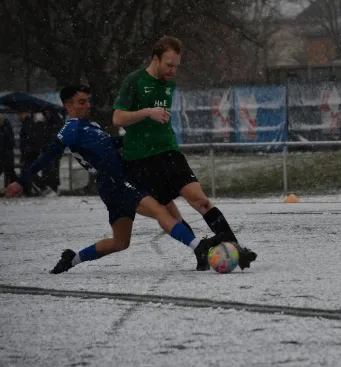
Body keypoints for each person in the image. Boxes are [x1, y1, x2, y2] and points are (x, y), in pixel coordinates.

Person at [5, 85, 229, 274]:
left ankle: (72, 259)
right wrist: (22, 181)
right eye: (81, 102)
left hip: (114, 184)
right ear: (68, 106)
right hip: (114, 182)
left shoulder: (91, 125)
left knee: (120, 242)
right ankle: (198, 246)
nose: (87, 105)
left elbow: (110, 145)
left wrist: (134, 137)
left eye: (88, 101)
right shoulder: (70, 129)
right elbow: (48, 155)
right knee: (162, 210)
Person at [112, 35, 257, 271]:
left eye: (177, 66)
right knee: (172, 216)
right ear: (155, 58)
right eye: (169, 65)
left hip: (169, 152)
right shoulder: (134, 81)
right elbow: (118, 118)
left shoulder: (169, 84)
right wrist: (148, 112)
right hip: (140, 159)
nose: (173, 71)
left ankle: (236, 249)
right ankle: (201, 250)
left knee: (201, 200)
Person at [0, 113, 17, 188]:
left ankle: (14, 186)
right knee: (10, 172)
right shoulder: (6, 127)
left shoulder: (6, 128)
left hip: (6, 155)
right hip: (5, 155)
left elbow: (10, 143)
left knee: (10, 172)